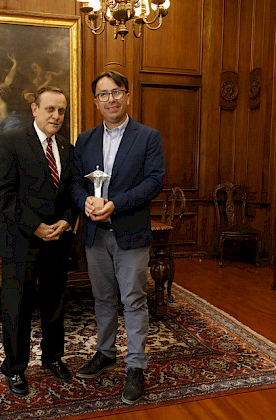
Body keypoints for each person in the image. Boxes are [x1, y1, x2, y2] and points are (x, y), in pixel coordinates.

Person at [71, 70, 165, 404]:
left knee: (134, 300)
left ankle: (136, 367)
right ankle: (105, 352)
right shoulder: (84, 140)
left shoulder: (147, 137)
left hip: (131, 233)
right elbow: (75, 182)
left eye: (116, 92)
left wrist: (116, 204)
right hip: (95, 234)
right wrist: (83, 201)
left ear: (127, 96)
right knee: (102, 299)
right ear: (95, 101)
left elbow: (154, 181)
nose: (110, 99)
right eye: (103, 94)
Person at [0, 86, 76, 396]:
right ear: (34, 109)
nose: (56, 116)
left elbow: (71, 193)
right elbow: (2, 193)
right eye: (50, 109)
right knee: (18, 307)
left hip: (57, 241)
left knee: (55, 305)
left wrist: (67, 220)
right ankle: (14, 368)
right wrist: (36, 226)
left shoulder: (67, 148)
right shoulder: (11, 141)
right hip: (21, 241)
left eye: (61, 111)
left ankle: (53, 358)